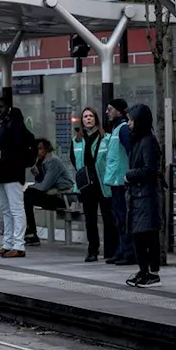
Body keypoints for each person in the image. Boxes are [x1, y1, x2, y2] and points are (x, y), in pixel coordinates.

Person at [0, 97, 30, 258]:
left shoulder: (15, 124)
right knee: (6, 210)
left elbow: (17, 149)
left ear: (9, 108)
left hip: (13, 172)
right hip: (2, 172)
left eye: (1, 107)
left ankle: (19, 244)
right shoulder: (2, 124)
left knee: (16, 209)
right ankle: (8, 243)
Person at [123, 103, 163, 287]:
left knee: (147, 235)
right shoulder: (138, 139)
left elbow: (150, 169)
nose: (128, 124)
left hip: (145, 196)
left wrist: (129, 175)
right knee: (138, 236)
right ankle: (143, 270)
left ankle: (152, 273)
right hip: (138, 195)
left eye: (131, 120)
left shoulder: (147, 141)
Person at [73, 106, 118, 262]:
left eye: (91, 116)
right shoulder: (77, 140)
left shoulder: (106, 137)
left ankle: (112, 250)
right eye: (85, 116)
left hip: (103, 182)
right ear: (82, 120)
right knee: (90, 220)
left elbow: (111, 159)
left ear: (96, 119)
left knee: (109, 218)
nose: (88, 119)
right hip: (86, 185)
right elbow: (74, 161)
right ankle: (93, 250)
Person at [23, 139, 76, 246]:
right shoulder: (42, 162)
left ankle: (31, 232)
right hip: (52, 194)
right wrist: (37, 174)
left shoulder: (52, 161)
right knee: (27, 196)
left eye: (40, 148)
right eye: (36, 149)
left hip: (63, 197)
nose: (38, 151)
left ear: (47, 149)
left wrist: (31, 187)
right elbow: (41, 183)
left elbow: (44, 185)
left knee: (28, 194)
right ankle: (30, 232)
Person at [103, 99, 133, 265]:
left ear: (119, 111)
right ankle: (122, 250)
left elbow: (130, 151)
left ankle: (128, 252)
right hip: (116, 180)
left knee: (123, 218)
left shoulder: (122, 129)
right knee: (119, 219)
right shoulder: (117, 129)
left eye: (110, 109)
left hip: (121, 180)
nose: (107, 112)